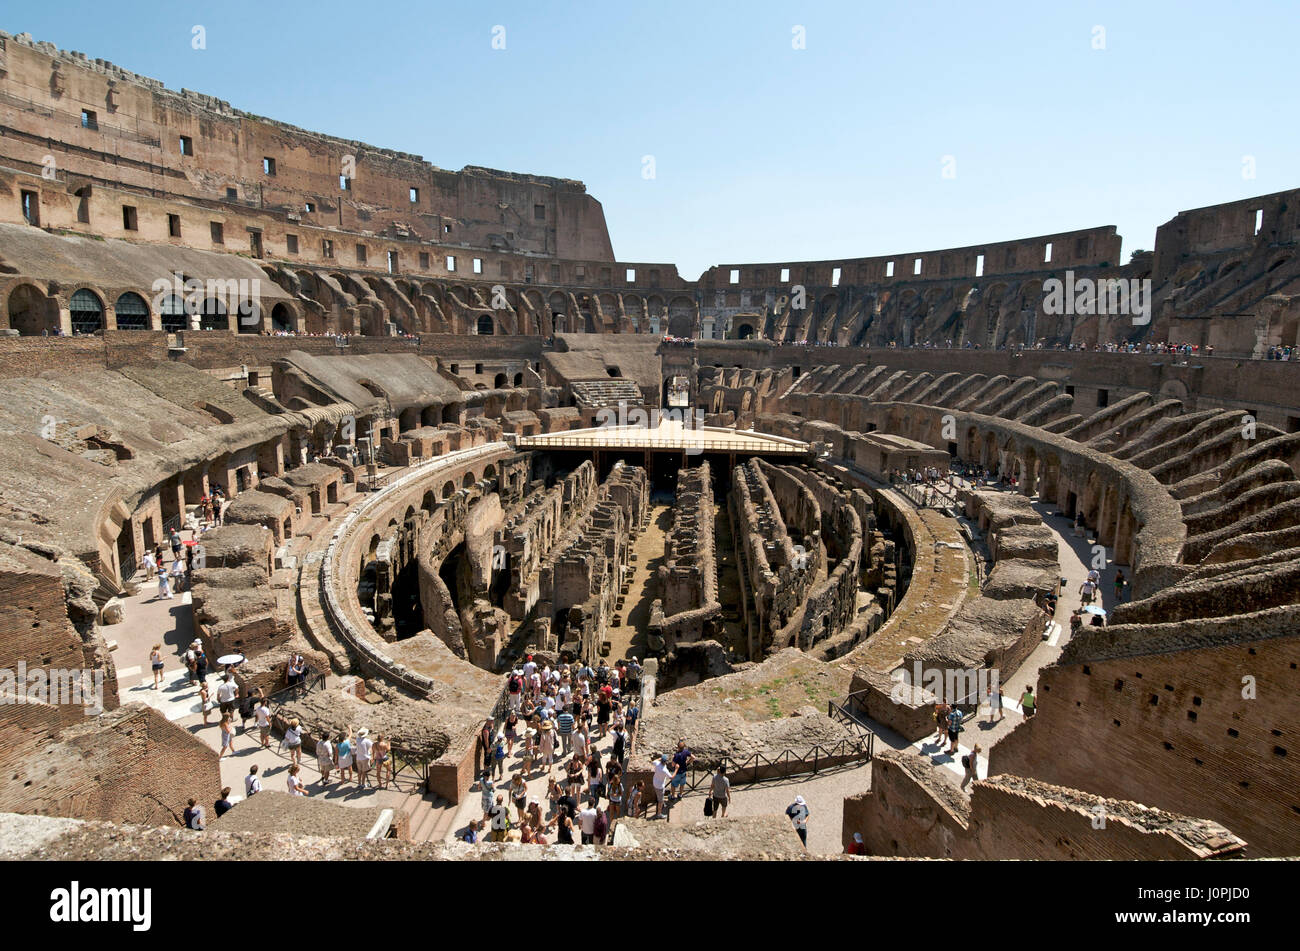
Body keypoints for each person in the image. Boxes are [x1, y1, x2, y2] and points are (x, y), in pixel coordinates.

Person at [651, 753, 672, 818]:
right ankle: (659, 814)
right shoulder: (665, 770)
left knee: (659, 795)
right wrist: (676, 769)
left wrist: (660, 758)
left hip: (655, 782)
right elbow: (671, 777)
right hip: (660, 786)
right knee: (660, 800)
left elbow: (653, 761)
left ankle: (661, 802)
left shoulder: (657, 763)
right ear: (665, 762)